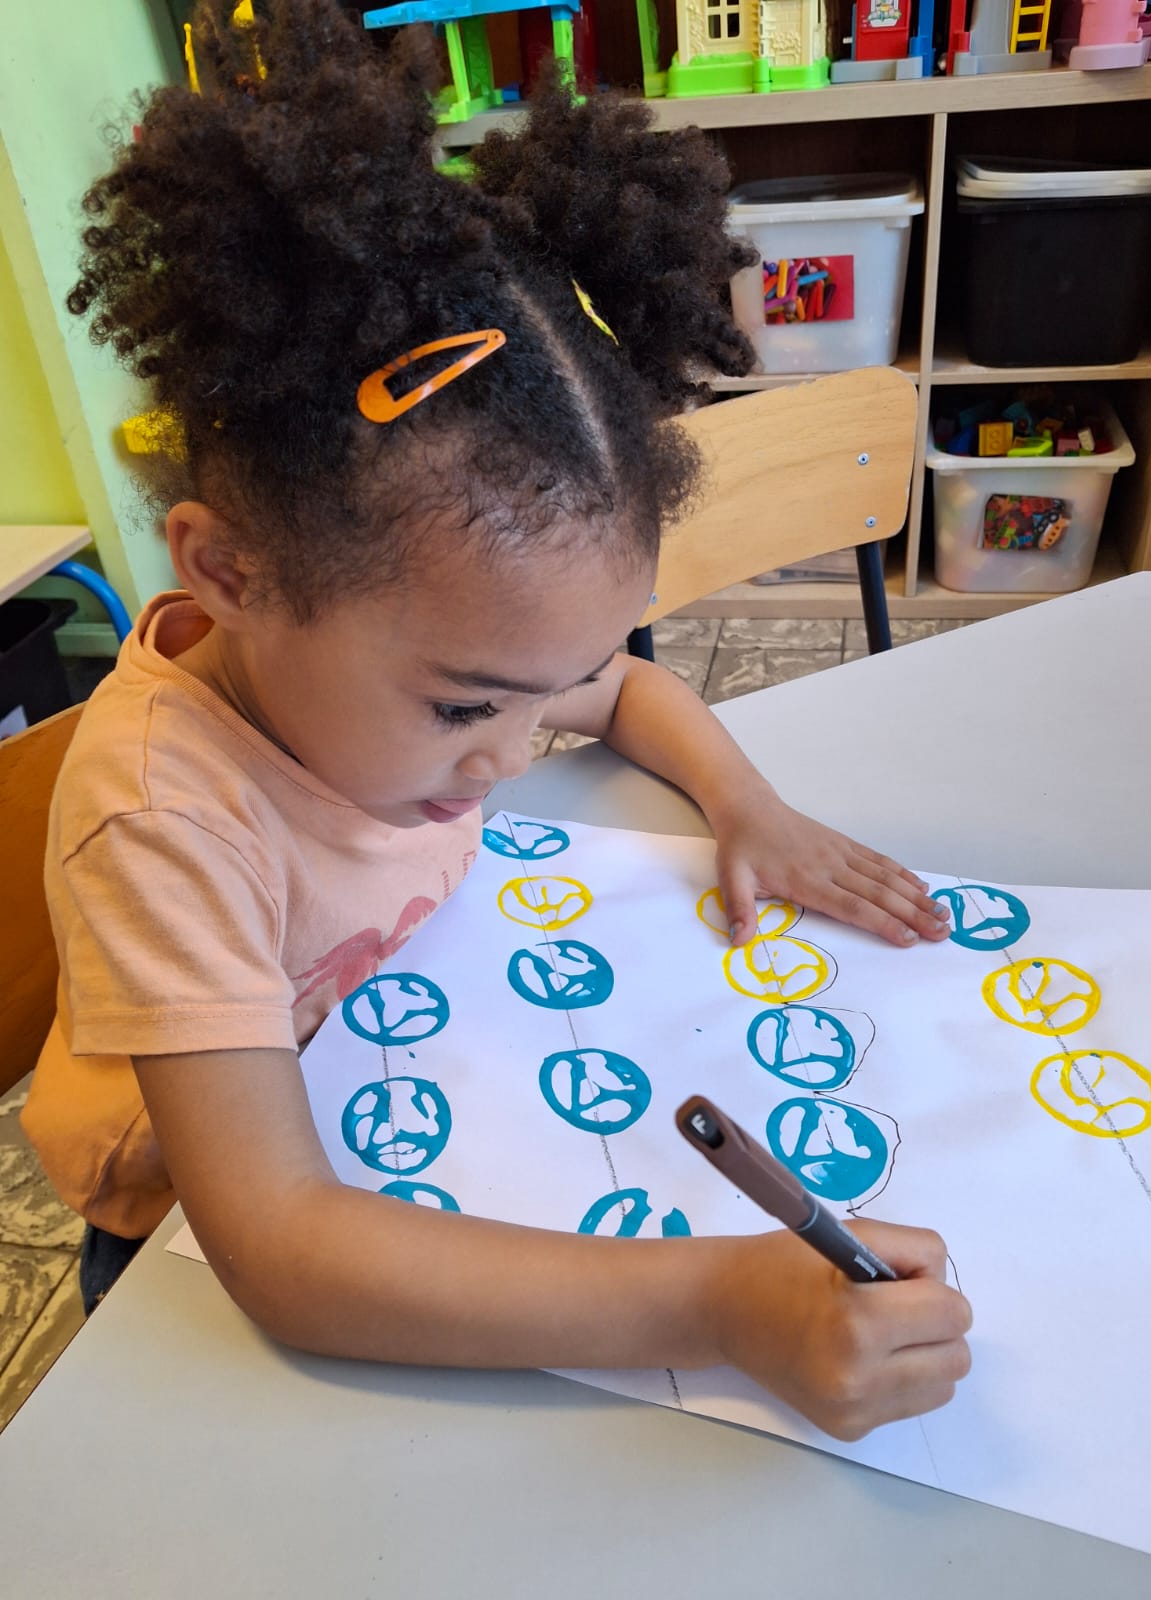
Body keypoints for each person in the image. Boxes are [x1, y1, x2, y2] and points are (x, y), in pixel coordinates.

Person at [22, 0, 969, 1441]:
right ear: (227, 574)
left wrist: (747, 805)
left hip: (402, 1060)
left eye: (542, 693)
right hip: (178, 1229)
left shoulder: (448, 671)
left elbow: (632, 688)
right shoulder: (162, 811)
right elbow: (279, 1247)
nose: (514, 756)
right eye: (468, 706)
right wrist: (719, 1304)